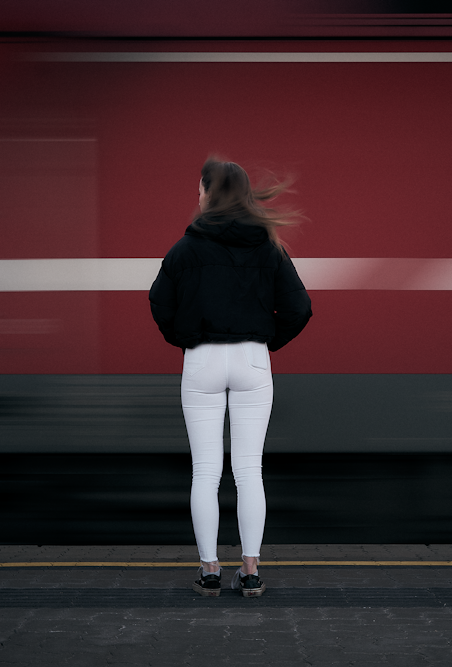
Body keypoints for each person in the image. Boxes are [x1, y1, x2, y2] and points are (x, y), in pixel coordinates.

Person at [149, 157, 312, 597]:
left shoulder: (186, 248)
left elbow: (159, 302)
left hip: (201, 359)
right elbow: (300, 307)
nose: (197, 195)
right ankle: (251, 570)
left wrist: (186, 338)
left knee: (205, 471)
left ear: (211, 193)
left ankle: (208, 571)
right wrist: (264, 341)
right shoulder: (267, 246)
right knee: (248, 470)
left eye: (200, 187)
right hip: (252, 360)